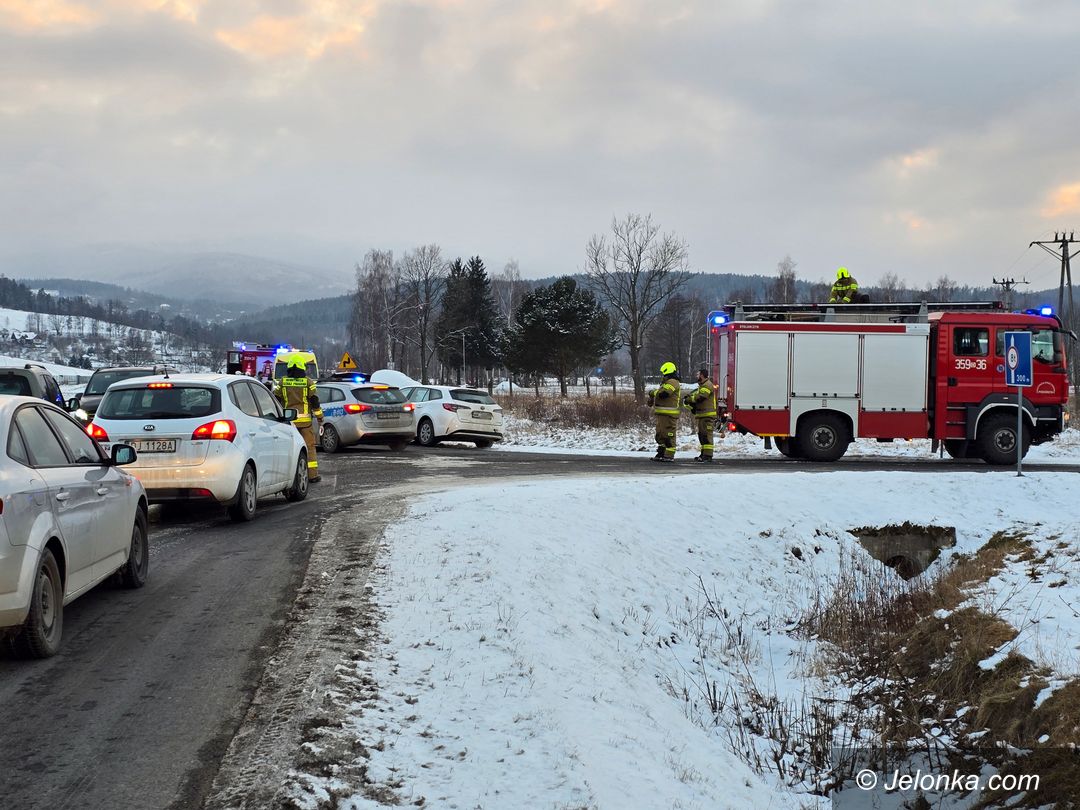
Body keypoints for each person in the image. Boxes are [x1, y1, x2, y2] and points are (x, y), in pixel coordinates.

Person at [276, 356, 323, 483]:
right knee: (309, 448)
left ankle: (287, 477)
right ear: (302, 367)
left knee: (289, 449)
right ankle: (312, 476)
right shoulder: (308, 382)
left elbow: (276, 399)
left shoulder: (282, 382)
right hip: (305, 423)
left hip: (289, 423)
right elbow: (314, 401)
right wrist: (320, 417)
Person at [646, 362, 682, 462]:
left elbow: (664, 394)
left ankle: (669, 455)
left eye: (664, 372)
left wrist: (653, 392)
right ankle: (661, 453)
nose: (663, 374)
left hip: (669, 414)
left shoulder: (673, 382)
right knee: (661, 434)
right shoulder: (666, 382)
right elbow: (661, 393)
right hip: (662, 414)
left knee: (669, 434)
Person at [683, 368, 717, 462]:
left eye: (698, 374)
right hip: (703, 415)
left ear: (702, 375)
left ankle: (708, 456)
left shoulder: (707, 385)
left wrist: (690, 399)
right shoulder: (702, 386)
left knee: (706, 435)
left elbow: (701, 396)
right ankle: (703, 454)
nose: (697, 376)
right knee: (702, 435)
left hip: (707, 415)